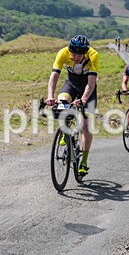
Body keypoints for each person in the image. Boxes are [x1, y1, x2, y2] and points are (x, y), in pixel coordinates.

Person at [45, 34, 98, 176]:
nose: (76, 57)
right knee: (62, 102)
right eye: (74, 54)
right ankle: (65, 131)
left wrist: (84, 99)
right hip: (71, 84)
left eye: (79, 55)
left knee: (86, 126)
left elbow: (91, 82)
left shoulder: (93, 55)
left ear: (85, 52)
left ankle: (84, 162)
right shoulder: (63, 53)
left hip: (88, 88)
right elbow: (54, 76)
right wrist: (50, 96)